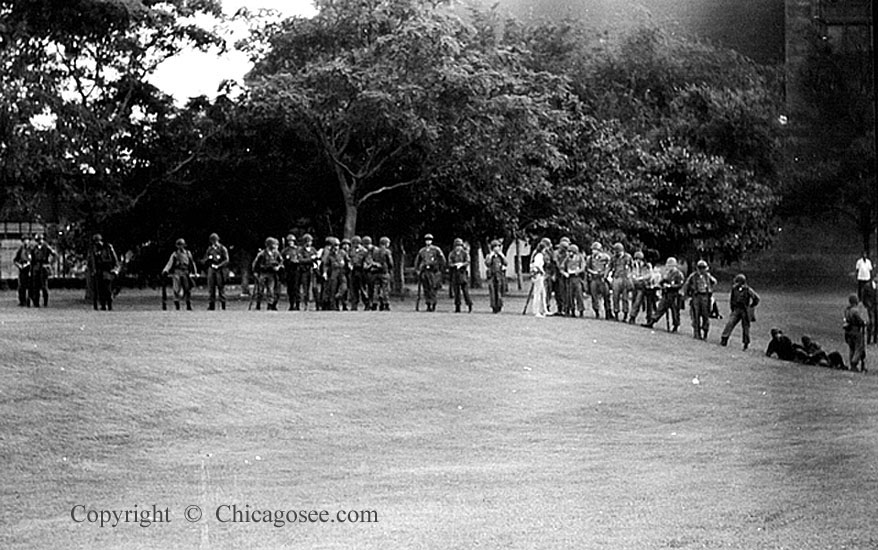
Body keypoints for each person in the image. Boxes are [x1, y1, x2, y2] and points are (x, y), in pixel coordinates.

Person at [641, 257, 684, 332]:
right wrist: (662, 284)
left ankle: (675, 326)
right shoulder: (668, 273)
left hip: (675, 295)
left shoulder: (679, 274)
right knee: (660, 308)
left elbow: (680, 285)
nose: (669, 267)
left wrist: (671, 286)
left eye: (671, 265)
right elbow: (663, 280)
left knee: (675, 311)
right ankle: (652, 322)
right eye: (668, 265)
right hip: (667, 294)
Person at [720, 273, 760, 349]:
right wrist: (732, 308)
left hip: (745, 309)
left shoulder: (748, 289)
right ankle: (724, 338)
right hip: (736, 309)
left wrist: (751, 306)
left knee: (745, 327)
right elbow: (732, 299)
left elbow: (756, 298)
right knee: (730, 323)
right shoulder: (734, 289)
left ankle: (746, 343)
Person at [682, 260, 717, 340]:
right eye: (700, 268)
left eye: (703, 268)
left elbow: (714, 282)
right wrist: (687, 294)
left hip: (705, 297)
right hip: (696, 296)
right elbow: (686, 285)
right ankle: (697, 333)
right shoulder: (693, 276)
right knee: (696, 315)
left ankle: (705, 332)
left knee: (705, 315)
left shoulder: (707, 276)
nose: (702, 270)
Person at [161, 238, 197, 310]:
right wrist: (165, 270)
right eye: (179, 245)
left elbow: (192, 263)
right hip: (177, 272)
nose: (180, 247)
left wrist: (194, 272)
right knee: (176, 289)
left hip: (186, 272)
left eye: (181, 245)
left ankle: (188, 305)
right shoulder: (175, 254)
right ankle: (177, 306)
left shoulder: (188, 253)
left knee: (187, 289)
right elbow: (170, 263)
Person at [415, 233, 446, 312]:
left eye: (429, 240)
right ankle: (428, 304)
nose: (428, 242)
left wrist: (440, 269)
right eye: (426, 240)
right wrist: (418, 270)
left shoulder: (436, 250)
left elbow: (442, 260)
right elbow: (417, 261)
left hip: (434, 271)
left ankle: (433, 304)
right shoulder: (422, 251)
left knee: (433, 288)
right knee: (426, 289)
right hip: (425, 271)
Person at [88, 233, 119, 311]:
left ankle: (109, 305)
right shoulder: (93, 250)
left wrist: (115, 269)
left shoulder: (108, 247)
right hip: (98, 271)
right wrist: (93, 270)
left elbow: (114, 259)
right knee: (99, 290)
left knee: (107, 289)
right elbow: (91, 261)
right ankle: (103, 305)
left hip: (107, 270)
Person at [251, 237, 283, 310]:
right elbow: (255, 264)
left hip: (271, 274)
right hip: (263, 273)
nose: (275, 246)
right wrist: (255, 272)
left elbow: (281, 261)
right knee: (260, 290)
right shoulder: (262, 254)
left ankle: (270, 305)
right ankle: (258, 305)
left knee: (271, 290)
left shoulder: (276, 253)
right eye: (273, 244)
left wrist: (278, 267)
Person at [202, 233, 230, 310]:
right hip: (211, 269)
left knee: (221, 287)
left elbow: (226, 260)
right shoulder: (209, 249)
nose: (214, 242)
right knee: (211, 288)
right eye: (212, 241)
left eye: (215, 240)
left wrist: (219, 266)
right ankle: (211, 305)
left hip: (220, 270)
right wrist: (207, 260)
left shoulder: (222, 248)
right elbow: (205, 259)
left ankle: (223, 305)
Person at [585, 242, 612, 319]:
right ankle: (596, 312)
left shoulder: (606, 257)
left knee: (606, 296)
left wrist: (604, 274)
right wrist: (593, 272)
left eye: (595, 249)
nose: (593, 251)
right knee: (594, 296)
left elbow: (609, 267)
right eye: (593, 249)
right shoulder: (589, 258)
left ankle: (608, 312)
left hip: (603, 279)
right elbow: (587, 268)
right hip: (594, 279)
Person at [29, 233, 56, 307]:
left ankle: (45, 302)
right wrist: (31, 269)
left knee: (44, 286)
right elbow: (32, 259)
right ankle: (36, 302)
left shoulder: (46, 247)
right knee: (35, 286)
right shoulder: (34, 248)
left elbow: (54, 254)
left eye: (40, 239)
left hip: (43, 267)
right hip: (36, 267)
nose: (39, 241)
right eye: (38, 240)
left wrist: (50, 264)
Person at [609, 242, 634, 322]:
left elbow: (632, 267)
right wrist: (606, 276)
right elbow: (610, 267)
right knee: (615, 297)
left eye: (618, 252)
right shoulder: (613, 258)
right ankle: (616, 313)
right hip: (616, 278)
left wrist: (631, 276)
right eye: (615, 252)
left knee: (625, 298)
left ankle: (625, 315)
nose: (617, 253)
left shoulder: (628, 257)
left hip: (625, 278)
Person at [447, 238, 473, 313]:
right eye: (457, 246)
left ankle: (469, 305)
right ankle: (457, 306)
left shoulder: (464, 253)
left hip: (462, 273)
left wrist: (462, 264)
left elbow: (468, 261)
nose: (458, 247)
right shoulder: (452, 254)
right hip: (455, 273)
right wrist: (454, 265)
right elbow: (450, 263)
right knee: (456, 292)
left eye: (460, 245)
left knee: (465, 291)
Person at [843, 294, 868, 372]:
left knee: (851, 348)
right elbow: (859, 321)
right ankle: (854, 362)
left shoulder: (846, 310)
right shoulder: (855, 311)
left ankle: (852, 364)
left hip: (848, 331)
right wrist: (864, 323)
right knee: (859, 348)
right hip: (856, 331)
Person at [628, 250, 653, 324]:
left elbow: (649, 275)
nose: (637, 261)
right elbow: (631, 274)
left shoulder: (647, 266)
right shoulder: (633, 266)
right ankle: (633, 317)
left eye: (638, 259)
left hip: (644, 286)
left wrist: (640, 278)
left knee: (639, 301)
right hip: (635, 285)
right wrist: (633, 277)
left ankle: (634, 317)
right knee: (634, 301)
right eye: (636, 259)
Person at [370, 236, 394, 311]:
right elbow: (390, 263)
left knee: (376, 289)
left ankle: (374, 304)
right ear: (386, 243)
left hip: (375, 272)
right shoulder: (387, 251)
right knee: (385, 289)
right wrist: (390, 269)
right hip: (384, 272)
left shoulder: (375, 251)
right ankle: (386, 304)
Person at [561, 243, 585, 317]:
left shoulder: (580, 258)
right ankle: (572, 310)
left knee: (579, 295)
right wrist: (565, 273)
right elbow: (562, 268)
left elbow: (583, 267)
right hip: (569, 278)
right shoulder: (567, 259)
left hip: (577, 278)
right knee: (569, 295)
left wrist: (578, 271)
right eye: (569, 252)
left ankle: (581, 310)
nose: (570, 253)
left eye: (572, 252)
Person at [297, 234, 319, 310]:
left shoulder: (313, 249)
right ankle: (306, 304)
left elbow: (317, 258)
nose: (309, 243)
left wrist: (315, 260)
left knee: (314, 288)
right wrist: (311, 259)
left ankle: (317, 305)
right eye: (308, 241)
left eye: (310, 241)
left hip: (312, 271)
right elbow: (301, 260)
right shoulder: (301, 250)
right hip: (304, 271)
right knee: (305, 288)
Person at [485, 239, 507, 313]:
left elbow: (506, 263)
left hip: (499, 275)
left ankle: (499, 306)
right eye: (496, 247)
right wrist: (491, 256)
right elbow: (487, 263)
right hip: (492, 276)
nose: (497, 248)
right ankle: (494, 306)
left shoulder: (500, 257)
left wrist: (502, 256)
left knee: (499, 291)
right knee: (493, 291)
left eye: (498, 246)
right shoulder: (489, 256)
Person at [281, 234, 300, 310]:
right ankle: (291, 304)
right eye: (289, 241)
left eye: (292, 241)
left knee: (296, 288)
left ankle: (297, 304)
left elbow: (300, 258)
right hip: (289, 271)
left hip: (297, 271)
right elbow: (282, 261)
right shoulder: (285, 251)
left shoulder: (298, 250)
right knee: (290, 289)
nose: (290, 243)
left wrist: (297, 261)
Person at [530, 241, 549, 318]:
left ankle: (544, 309)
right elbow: (537, 265)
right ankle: (536, 311)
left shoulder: (538, 255)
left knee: (542, 293)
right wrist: (542, 271)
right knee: (537, 293)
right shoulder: (539, 255)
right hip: (538, 275)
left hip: (539, 274)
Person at [13, 236, 31, 307]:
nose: (26, 242)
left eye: (27, 240)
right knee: (21, 286)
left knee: (30, 286)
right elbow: (15, 260)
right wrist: (19, 265)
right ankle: (22, 301)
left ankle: (30, 300)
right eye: (24, 240)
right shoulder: (21, 250)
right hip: (22, 269)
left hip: (30, 268)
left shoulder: (31, 249)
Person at [862, 274, 878, 344]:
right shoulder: (867, 286)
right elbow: (864, 297)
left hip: (876, 306)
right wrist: (867, 305)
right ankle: (869, 339)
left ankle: (875, 339)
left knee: (877, 322)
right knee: (871, 322)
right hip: (870, 306)